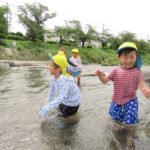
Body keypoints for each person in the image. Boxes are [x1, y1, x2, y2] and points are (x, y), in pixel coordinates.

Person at [94, 42, 150, 146]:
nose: (128, 60)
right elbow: (105, 81)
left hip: (131, 101)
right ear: (119, 57)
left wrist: (146, 90)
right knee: (116, 122)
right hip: (116, 101)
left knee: (130, 123)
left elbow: (142, 85)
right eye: (125, 57)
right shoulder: (116, 71)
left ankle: (130, 138)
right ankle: (115, 136)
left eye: (132, 57)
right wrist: (99, 75)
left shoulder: (137, 72)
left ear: (136, 57)